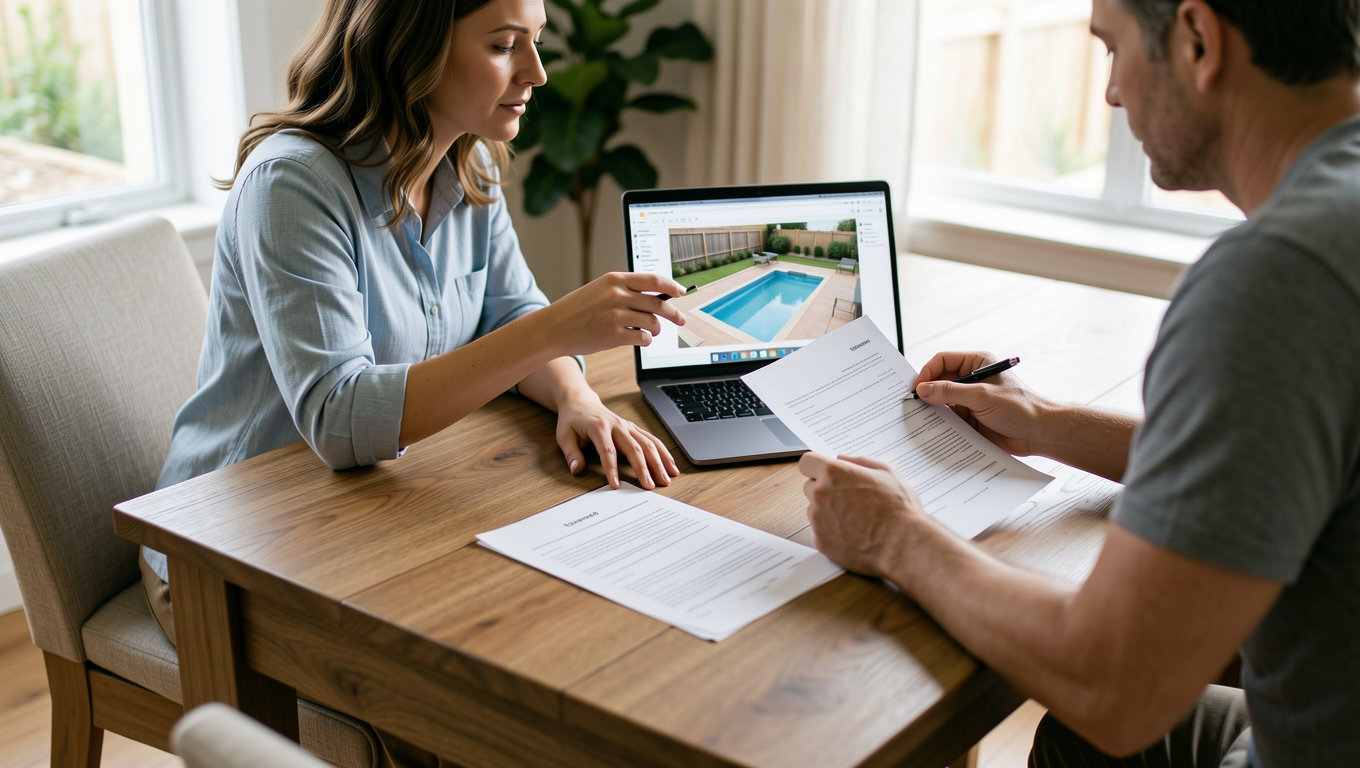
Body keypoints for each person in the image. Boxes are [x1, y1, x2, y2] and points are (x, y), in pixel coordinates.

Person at [798, 1, 1360, 767]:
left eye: (1112, 48)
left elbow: (1114, 684)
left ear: (1198, 39)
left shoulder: (1279, 277)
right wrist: (1043, 421)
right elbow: (1294, 458)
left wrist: (895, 536)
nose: (1112, 94)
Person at [141, 0, 684, 664]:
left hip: (365, 517)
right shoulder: (293, 183)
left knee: (566, 631)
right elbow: (339, 420)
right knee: (457, 689)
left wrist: (577, 397)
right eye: (505, 45)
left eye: (536, 42)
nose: (537, 73)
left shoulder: (469, 167)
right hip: (228, 554)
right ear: (411, 48)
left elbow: (508, 313)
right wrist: (552, 331)